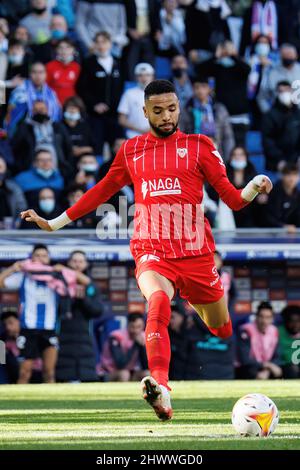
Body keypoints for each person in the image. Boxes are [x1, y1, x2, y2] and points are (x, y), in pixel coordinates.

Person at [21, 79, 272, 421]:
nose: (166, 116)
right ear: (144, 112)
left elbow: (231, 199)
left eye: (171, 109)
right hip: (152, 249)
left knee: (221, 328)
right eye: (157, 110)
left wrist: (254, 186)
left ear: (179, 108)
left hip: (196, 253)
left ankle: (197, 304)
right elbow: (101, 191)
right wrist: (55, 222)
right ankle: (162, 387)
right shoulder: (132, 150)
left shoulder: (200, 145)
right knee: (156, 300)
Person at [0, 244, 91, 384]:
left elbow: (86, 282)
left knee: (49, 372)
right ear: (31, 258)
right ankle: (18, 403)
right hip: (28, 329)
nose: (41, 259)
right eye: (37, 255)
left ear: (49, 259)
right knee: (24, 372)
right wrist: (13, 268)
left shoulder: (56, 277)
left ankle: (52, 404)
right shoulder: (23, 277)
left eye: (44, 256)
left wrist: (64, 269)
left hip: (49, 329)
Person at [56, 251, 103, 382]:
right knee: (63, 375)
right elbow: (57, 308)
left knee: (86, 376)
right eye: (74, 261)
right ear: (69, 263)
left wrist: (83, 299)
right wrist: (70, 298)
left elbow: (98, 311)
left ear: (86, 264)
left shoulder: (91, 286)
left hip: (84, 336)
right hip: (63, 335)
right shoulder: (58, 282)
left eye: (81, 261)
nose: (77, 264)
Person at [76, 31, 123, 154]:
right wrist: (94, 104)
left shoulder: (119, 62)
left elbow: (122, 88)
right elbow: (81, 88)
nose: (101, 45)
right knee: (97, 147)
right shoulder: (88, 62)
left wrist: (116, 106)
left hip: (114, 115)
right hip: (95, 115)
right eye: (98, 42)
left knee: (117, 150)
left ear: (110, 44)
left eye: (104, 42)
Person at [180, 76, 235, 161]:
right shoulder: (186, 110)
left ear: (209, 89)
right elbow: (181, 134)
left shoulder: (219, 108)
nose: (200, 90)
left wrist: (228, 158)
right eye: (197, 87)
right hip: (194, 154)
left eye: (203, 87)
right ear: (193, 89)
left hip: (216, 152)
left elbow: (227, 136)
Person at [5, 62, 61, 137]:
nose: (38, 76)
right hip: (24, 132)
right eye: (34, 72)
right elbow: (11, 115)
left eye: (41, 72)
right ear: (29, 74)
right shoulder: (19, 91)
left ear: (46, 74)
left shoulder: (51, 93)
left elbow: (56, 115)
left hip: (47, 132)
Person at [236, 302, 282, 380]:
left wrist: (267, 370)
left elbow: (278, 356)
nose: (264, 321)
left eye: (268, 317)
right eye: (261, 317)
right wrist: (267, 365)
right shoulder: (246, 330)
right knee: (251, 370)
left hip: (267, 368)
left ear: (272, 319)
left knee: (281, 370)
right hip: (250, 368)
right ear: (256, 317)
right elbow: (245, 360)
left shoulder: (274, 331)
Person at [98, 312, 148, 382]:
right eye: (133, 327)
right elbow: (120, 364)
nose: (136, 331)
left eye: (139, 327)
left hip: (131, 371)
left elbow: (146, 366)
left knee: (146, 374)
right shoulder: (116, 337)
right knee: (124, 374)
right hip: (108, 372)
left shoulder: (143, 337)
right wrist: (135, 344)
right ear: (127, 325)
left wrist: (142, 347)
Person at [262, 81, 300, 172]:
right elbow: (267, 141)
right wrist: (279, 160)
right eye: (281, 91)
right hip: (276, 163)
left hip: (296, 161)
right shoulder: (270, 115)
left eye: (287, 90)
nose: (285, 94)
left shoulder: (298, 113)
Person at [118, 63, 154, 139]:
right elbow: (121, 119)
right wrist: (141, 130)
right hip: (133, 136)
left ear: (152, 76)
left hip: (155, 136)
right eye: (140, 75)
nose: (144, 78)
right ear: (136, 77)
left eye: (147, 75)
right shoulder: (129, 94)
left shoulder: (159, 94)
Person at [265, 163, 300, 233]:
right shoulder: (273, 192)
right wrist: (282, 226)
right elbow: (268, 217)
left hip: (292, 234)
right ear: (282, 176)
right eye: (289, 174)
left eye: (295, 175)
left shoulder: (298, 195)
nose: (292, 178)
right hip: (271, 233)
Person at [46, 39, 81, 105]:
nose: (64, 51)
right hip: (53, 104)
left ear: (73, 49)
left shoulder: (77, 67)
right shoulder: (49, 66)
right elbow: (45, 87)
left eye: (68, 47)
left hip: (71, 106)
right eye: (60, 48)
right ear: (56, 50)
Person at [0, 156, 27, 229]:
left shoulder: (14, 188)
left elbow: (22, 208)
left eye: (0, 167)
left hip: (11, 230)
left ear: (5, 169)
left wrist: (17, 222)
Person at [279, 305, 300, 379]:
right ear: (286, 322)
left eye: (298, 321)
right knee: (292, 369)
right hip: (284, 367)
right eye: (292, 321)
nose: (295, 325)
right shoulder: (278, 332)